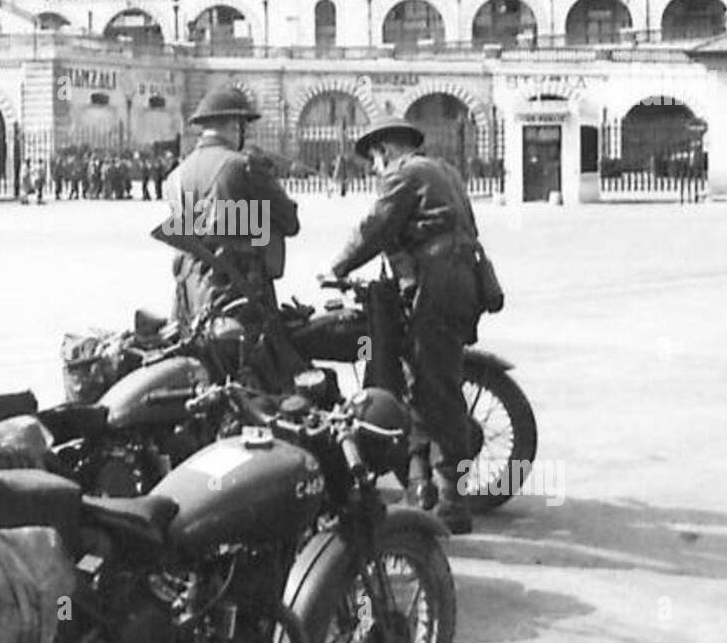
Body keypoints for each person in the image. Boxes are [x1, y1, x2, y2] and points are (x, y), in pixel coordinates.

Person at [329, 115, 485, 535]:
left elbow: (375, 228)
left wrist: (338, 267)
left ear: (385, 151)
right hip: (458, 278)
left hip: (438, 281)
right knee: (421, 376)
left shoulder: (403, 174)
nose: (375, 170)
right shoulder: (444, 172)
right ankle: (420, 486)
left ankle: (453, 500)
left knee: (438, 386)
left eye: (374, 161)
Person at [163, 85, 300, 331]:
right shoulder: (244, 165)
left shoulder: (175, 177)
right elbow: (290, 221)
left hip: (190, 294)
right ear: (235, 126)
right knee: (274, 365)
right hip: (241, 295)